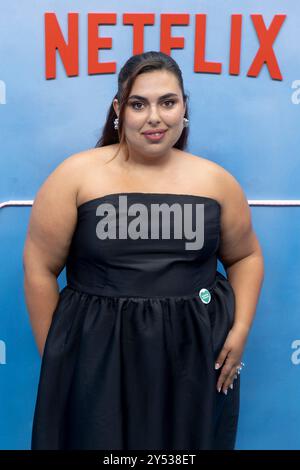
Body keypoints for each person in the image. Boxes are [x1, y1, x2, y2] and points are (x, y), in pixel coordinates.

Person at [23, 50, 264, 450]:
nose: (155, 117)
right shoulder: (75, 176)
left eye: (167, 102)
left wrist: (240, 330)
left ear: (184, 107)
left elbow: (246, 256)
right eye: (139, 103)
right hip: (98, 355)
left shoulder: (216, 182)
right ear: (119, 108)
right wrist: (60, 356)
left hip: (192, 355)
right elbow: (39, 268)